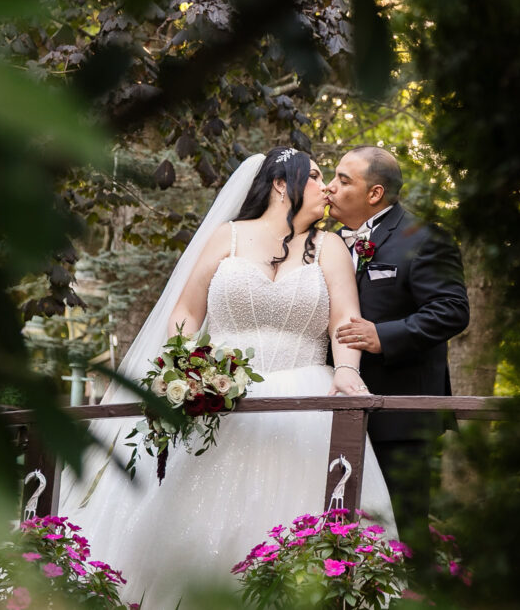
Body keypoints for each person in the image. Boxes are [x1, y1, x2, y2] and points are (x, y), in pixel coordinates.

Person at [59, 147, 396, 607]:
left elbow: (345, 321)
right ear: (282, 185)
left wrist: (345, 375)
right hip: (221, 399)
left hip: (307, 404)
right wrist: (181, 366)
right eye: (315, 177)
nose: (327, 188)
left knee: (303, 527)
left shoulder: (331, 246)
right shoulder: (227, 238)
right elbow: (186, 311)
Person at [324, 145, 469, 571]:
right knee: (333, 529)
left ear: (374, 194)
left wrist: (382, 336)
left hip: (399, 416)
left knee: (403, 536)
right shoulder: (325, 243)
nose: (331, 188)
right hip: (331, 409)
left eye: (343, 180)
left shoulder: (424, 238)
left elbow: (452, 311)